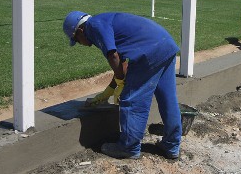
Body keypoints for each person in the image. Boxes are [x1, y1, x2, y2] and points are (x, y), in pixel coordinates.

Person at [63, 11, 182, 160]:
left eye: (76, 40)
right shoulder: (104, 20)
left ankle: (128, 147)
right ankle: (172, 145)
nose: (80, 44)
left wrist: (121, 83)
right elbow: (122, 62)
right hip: (165, 44)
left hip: (149, 52)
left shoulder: (93, 26)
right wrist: (110, 90)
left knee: (132, 100)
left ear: (80, 30)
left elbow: (113, 56)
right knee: (167, 98)